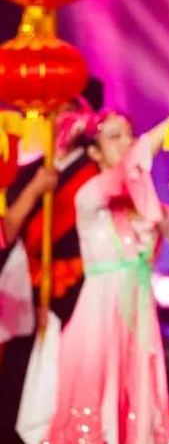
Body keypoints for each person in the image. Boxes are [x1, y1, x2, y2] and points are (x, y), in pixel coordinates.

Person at [44, 99, 169, 444]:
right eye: (115, 136)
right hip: (99, 317)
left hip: (139, 320)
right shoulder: (90, 196)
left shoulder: (152, 210)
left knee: (138, 405)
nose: (127, 143)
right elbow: (129, 168)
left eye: (129, 135)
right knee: (96, 403)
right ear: (94, 152)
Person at [0, 98, 101, 444]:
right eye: (52, 112)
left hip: (76, 288)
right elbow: (6, 232)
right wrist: (35, 190)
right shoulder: (27, 170)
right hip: (26, 285)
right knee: (17, 378)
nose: (59, 120)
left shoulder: (94, 169)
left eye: (67, 111)